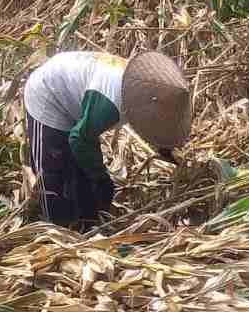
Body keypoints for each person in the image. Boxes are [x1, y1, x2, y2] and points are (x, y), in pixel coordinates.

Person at [22, 50, 191, 229]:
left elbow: (158, 125)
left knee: (80, 175)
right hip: (48, 93)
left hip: (76, 95)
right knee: (53, 175)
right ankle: (54, 231)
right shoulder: (111, 102)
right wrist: (100, 177)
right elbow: (80, 139)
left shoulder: (146, 88)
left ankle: (86, 223)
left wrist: (166, 150)